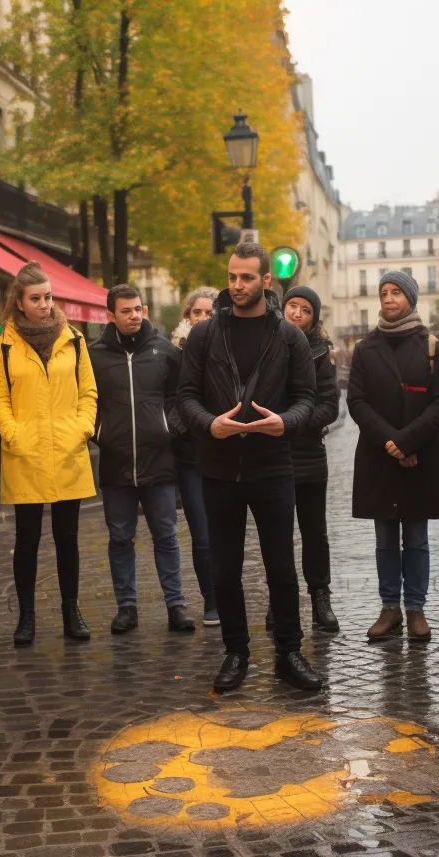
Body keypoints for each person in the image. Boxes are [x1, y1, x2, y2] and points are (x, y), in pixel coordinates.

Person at [177, 242, 320, 692]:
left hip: (274, 466)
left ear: (266, 281)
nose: (236, 285)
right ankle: (236, 653)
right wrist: (208, 425)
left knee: (281, 567)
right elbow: (185, 398)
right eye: (232, 276)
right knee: (225, 569)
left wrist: (285, 423)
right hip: (218, 468)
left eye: (246, 278)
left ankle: (289, 653)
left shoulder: (289, 337)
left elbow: (308, 401)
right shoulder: (204, 335)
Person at [0, 261, 98, 646]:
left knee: (68, 537)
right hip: (26, 451)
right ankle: (27, 616)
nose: (44, 304)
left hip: (68, 448)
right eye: (35, 298)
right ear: (18, 302)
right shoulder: (2, 344)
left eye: (48, 297)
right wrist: (13, 433)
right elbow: (0, 397)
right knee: (27, 538)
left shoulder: (75, 339)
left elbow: (89, 391)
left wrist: (82, 427)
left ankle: (72, 610)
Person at [346, 271, 439, 643]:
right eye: (384, 292)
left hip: (420, 457)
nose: (389, 299)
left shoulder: (433, 347)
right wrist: (392, 442)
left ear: (411, 298)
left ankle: (416, 609)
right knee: (385, 537)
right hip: (379, 456)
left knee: (417, 538)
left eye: (396, 293)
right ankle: (389, 608)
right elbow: (357, 401)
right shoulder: (364, 348)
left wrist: (408, 442)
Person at [90, 284, 194, 634]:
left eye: (138, 309)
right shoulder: (94, 356)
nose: (134, 315)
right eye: (126, 311)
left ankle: (176, 606)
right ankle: (127, 608)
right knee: (120, 538)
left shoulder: (165, 351)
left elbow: (182, 396)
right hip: (115, 463)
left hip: (159, 461)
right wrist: (99, 432)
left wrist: (170, 428)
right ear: (111, 315)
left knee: (166, 536)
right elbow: (86, 402)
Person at [282, 285, 341, 633]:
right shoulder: (268, 345)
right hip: (272, 453)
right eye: (293, 306)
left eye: (305, 310)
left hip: (309, 454)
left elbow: (330, 406)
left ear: (314, 317)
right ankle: (281, 601)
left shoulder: (322, 354)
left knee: (314, 531)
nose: (297, 314)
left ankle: (321, 596)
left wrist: (294, 421)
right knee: (277, 534)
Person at [170, 286, 219, 625]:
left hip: (225, 452)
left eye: (209, 313)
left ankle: (228, 593)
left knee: (224, 532)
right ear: (187, 316)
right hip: (189, 455)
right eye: (196, 312)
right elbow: (169, 401)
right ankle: (211, 599)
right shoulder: (173, 354)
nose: (202, 318)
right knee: (201, 533)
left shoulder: (229, 348)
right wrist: (188, 427)